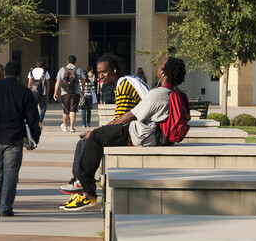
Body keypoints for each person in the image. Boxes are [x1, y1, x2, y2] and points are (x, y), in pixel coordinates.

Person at [61, 56, 187, 211]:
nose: (157, 69)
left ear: (165, 72)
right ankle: (83, 183)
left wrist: (100, 130)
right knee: (96, 136)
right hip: (149, 135)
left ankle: (87, 191)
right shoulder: (172, 91)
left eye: (160, 67)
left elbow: (130, 115)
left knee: (95, 138)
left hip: (138, 134)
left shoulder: (158, 94)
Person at [59, 54, 144, 194]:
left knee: (87, 141)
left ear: (114, 70)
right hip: (134, 128)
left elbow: (121, 120)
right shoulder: (125, 82)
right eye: (99, 73)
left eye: (104, 72)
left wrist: (96, 132)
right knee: (88, 139)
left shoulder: (123, 85)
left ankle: (81, 183)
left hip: (135, 132)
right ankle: (80, 182)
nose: (101, 76)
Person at [0, 61, 41, 217]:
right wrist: (34, 139)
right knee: (11, 174)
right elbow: (33, 120)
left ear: (4, 73)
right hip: (14, 138)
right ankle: (5, 206)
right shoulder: (24, 92)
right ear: (20, 74)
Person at [55, 55, 81, 133]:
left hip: (64, 92)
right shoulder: (78, 69)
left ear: (67, 61)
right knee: (73, 109)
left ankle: (65, 126)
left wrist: (55, 92)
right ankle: (72, 127)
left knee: (66, 110)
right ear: (75, 61)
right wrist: (82, 91)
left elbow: (58, 81)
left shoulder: (62, 69)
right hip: (75, 92)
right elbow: (83, 80)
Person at [26, 59, 50, 123]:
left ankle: (33, 120)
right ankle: (39, 121)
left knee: (33, 107)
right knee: (43, 108)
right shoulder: (45, 72)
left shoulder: (31, 72)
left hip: (32, 92)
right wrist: (47, 95)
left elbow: (29, 84)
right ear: (44, 65)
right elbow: (48, 84)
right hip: (42, 93)